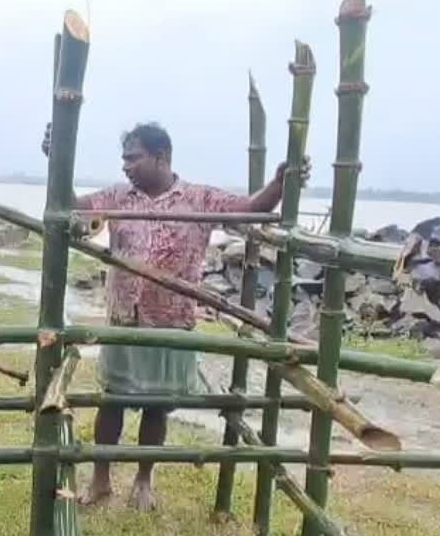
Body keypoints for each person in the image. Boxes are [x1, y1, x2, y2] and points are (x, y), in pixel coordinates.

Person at [42, 121, 310, 511]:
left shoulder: (198, 198)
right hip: (125, 316)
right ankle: (101, 479)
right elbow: (75, 208)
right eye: (124, 159)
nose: (125, 166)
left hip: (171, 320)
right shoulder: (118, 196)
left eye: (133, 158)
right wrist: (58, 162)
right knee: (112, 402)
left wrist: (279, 184)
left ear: (161, 156)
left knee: (157, 406)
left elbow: (251, 210)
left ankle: (144, 479)